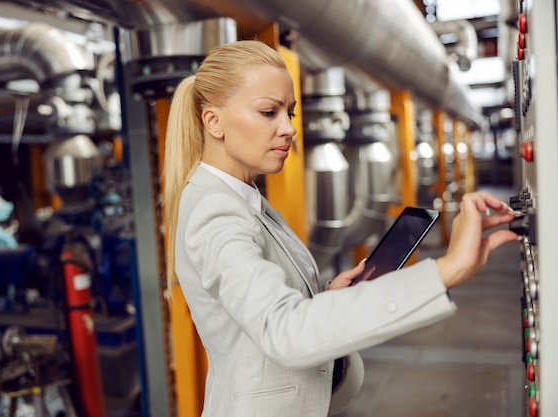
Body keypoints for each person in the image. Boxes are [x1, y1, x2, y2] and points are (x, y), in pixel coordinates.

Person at [162, 40, 519, 417]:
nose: (289, 128)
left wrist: (326, 297)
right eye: (268, 112)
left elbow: (262, 315)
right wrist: (447, 270)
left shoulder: (241, 195)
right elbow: (283, 331)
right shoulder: (215, 211)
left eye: (290, 111)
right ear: (213, 121)